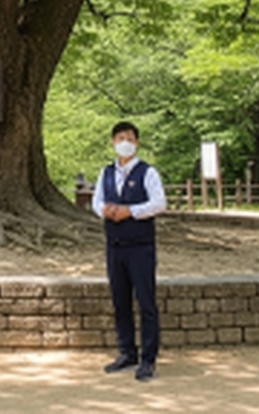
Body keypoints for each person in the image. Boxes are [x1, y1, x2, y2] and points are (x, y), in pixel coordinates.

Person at [91, 120, 167, 382]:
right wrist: (104, 210)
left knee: (146, 302)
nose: (125, 142)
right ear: (113, 142)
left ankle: (148, 359)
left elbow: (159, 203)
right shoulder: (106, 172)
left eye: (130, 138)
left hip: (140, 247)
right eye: (120, 137)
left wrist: (130, 211)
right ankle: (127, 352)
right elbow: (96, 199)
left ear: (137, 143)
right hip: (114, 246)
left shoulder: (148, 172)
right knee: (120, 301)